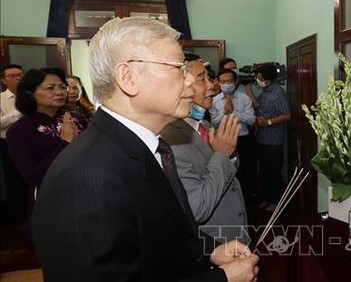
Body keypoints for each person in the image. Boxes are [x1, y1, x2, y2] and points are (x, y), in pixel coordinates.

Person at [31, 18, 258, 282]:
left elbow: (163, 230)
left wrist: (210, 250)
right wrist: (222, 279)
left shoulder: (151, 145)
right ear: (128, 77)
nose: (189, 82)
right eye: (177, 68)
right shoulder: (86, 176)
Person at [161, 55, 248, 243]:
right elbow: (198, 208)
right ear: (182, 84)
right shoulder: (170, 140)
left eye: (210, 78)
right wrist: (222, 154)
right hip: (211, 245)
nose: (212, 86)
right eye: (202, 79)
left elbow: (230, 169)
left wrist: (230, 154)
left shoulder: (206, 125)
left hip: (234, 232)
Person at [6, 67, 86, 225]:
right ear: (30, 93)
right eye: (50, 88)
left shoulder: (77, 119)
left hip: (86, 192)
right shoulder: (19, 130)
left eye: (62, 87)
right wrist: (64, 143)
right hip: (50, 199)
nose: (59, 92)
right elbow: (32, 175)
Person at [210, 68, 256, 200]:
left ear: (235, 82)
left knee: (244, 170)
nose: (227, 84)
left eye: (230, 81)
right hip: (222, 140)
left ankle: (246, 198)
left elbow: (252, 119)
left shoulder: (244, 98)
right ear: (218, 82)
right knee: (227, 169)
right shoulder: (214, 101)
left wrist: (235, 113)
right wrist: (225, 112)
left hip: (242, 139)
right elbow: (213, 122)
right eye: (223, 81)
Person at [254, 64, 291, 212]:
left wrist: (268, 122)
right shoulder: (264, 92)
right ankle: (267, 198)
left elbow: (287, 114)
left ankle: (276, 201)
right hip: (262, 138)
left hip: (274, 140)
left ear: (266, 78)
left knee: (274, 171)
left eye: (259, 77)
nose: (257, 79)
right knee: (264, 171)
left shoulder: (278, 93)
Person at [0, 64, 27, 225]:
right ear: (4, 80)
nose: (18, 78)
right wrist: (19, 112)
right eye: (13, 75)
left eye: (20, 75)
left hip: (30, 143)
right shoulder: (1, 98)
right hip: (8, 144)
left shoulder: (31, 96)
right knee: (14, 181)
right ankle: (18, 218)